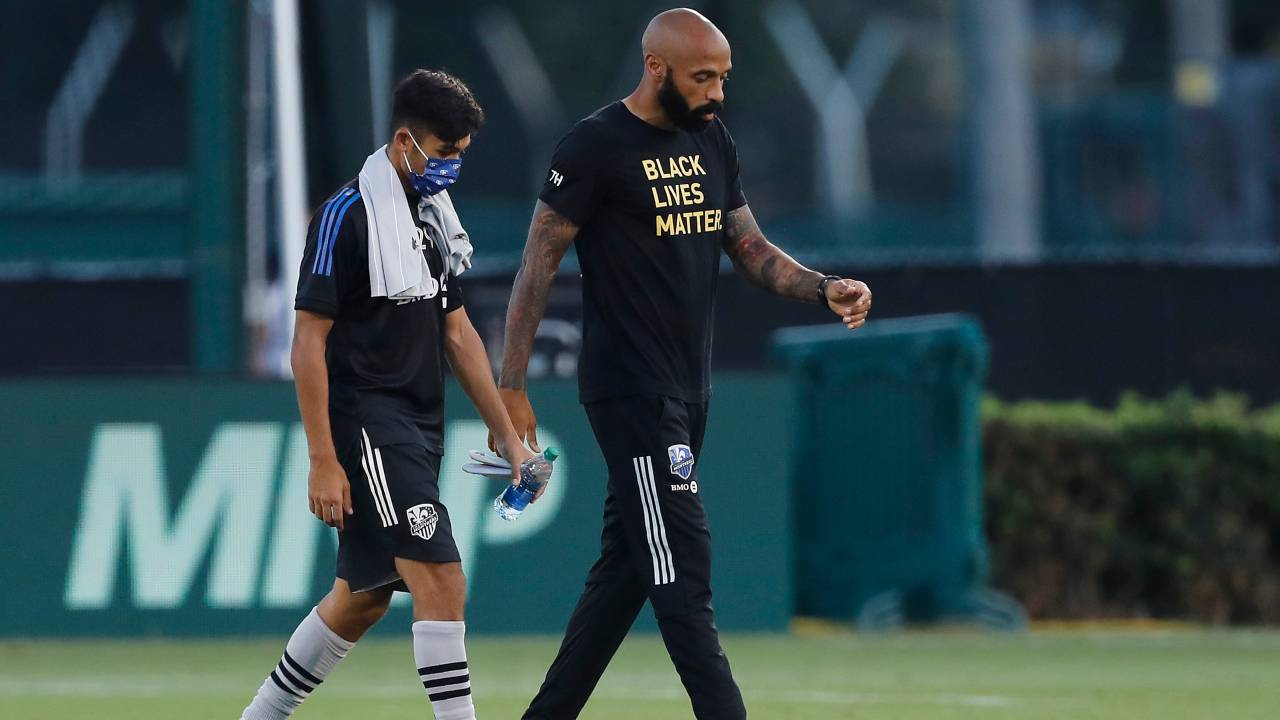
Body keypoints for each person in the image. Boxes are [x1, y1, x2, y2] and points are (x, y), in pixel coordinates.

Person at [494, 8, 873, 719]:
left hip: (688, 391)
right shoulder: (595, 146)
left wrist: (823, 286)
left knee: (627, 574)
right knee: (683, 573)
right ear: (657, 68)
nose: (717, 93)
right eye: (703, 78)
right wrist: (511, 386)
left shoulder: (713, 142)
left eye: (723, 78)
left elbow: (750, 247)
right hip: (630, 393)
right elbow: (537, 262)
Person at [240, 69, 534, 720]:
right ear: (405, 141)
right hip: (369, 420)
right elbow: (307, 343)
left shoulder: (431, 217)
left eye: (461, 153)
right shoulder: (345, 217)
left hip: (419, 421)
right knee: (442, 577)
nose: (453, 166)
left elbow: (456, 332)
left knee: (363, 594)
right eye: (446, 151)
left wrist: (507, 437)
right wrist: (323, 457)